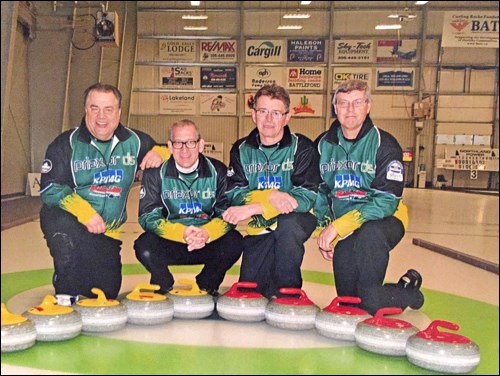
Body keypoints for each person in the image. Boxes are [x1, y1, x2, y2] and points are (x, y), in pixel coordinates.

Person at [40, 83, 170, 303]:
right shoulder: (65, 144)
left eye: (108, 109)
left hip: (106, 233)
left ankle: (81, 274)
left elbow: (165, 148)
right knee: (63, 238)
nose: (101, 116)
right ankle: (65, 286)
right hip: (73, 222)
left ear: (119, 112)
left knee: (106, 291)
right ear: (86, 110)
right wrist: (85, 213)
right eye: (94, 108)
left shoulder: (135, 141)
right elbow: (49, 188)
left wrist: (160, 152)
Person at [313, 79, 424, 315]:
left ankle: (407, 291)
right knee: (348, 302)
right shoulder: (322, 145)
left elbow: (386, 201)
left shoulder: (385, 144)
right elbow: (321, 191)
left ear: (368, 106)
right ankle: (396, 288)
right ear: (335, 107)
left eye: (357, 102)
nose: (350, 109)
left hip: (384, 222)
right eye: (343, 103)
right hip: (348, 227)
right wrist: (325, 228)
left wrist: (339, 227)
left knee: (368, 302)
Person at [223, 84, 319, 299]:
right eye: (263, 111)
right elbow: (235, 193)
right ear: (253, 115)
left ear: (287, 117)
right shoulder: (240, 149)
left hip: (297, 220)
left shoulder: (302, 148)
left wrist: (258, 204)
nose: (268, 119)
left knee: (288, 227)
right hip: (260, 225)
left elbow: (304, 198)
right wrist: (272, 196)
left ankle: (290, 291)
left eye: (276, 113)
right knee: (251, 290)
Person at [134, 119, 242, 296]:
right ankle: (163, 282)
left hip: (206, 240)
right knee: (143, 246)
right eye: (178, 143)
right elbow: (147, 216)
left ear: (200, 145)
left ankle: (207, 284)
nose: (184, 149)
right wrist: (180, 233)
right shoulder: (155, 173)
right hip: (172, 240)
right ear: (169, 146)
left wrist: (207, 233)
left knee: (234, 242)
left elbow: (227, 215)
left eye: (191, 142)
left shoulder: (218, 171)